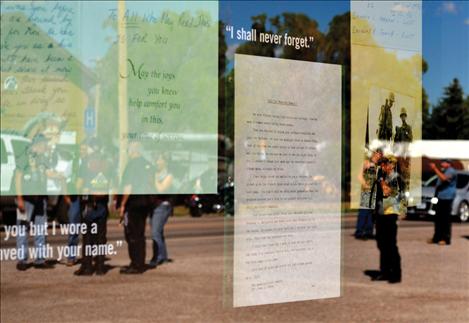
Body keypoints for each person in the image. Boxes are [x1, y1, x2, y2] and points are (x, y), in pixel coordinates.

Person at [74, 138, 113, 276]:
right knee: (101, 238)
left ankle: (87, 267)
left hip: (89, 205)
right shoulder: (107, 163)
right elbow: (110, 182)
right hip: (102, 205)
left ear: (91, 148)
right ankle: (101, 266)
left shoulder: (86, 162)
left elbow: (79, 184)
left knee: (88, 238)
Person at [14, 134, 51, 271]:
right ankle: (22, 260)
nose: (46, 147)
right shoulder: (24, 156)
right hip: (26, 199)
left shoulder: (42, 158)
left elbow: (47, 174)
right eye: (44, 144)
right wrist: (19, 198)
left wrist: (59, 176)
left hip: (40, 199)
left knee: (40, 229)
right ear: (38, 144)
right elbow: (18, 177)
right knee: (23, 228)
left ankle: (40, 260)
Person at [119, 142, 153, 274]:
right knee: (140, 234)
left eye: (128, 150)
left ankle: (135, 264)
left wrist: (122, 205)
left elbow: (128, 187)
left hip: (133, 204)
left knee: (131, 234)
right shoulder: (147, 164)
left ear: (132, 151)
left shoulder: (131, 165)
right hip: (145, 203)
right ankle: (140, 263)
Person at [372, 156, 403, 283]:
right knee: (381, 244)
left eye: (384, 164)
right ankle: (384, 271)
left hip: (390, 216)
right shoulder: (382, 177)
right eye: (381, 165)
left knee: (390, 245)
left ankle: (395, 274)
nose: (382, 167)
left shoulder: (396, 178)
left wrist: (381, 181)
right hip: (380, 215)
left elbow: (387, 192)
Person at [149, 153, 174, 268]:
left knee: (155, 233)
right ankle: (163, 256)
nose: (157, 162)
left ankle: (158, 257)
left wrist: (153, 178)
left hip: (163, 206)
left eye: (159, 160)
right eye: (156, 160)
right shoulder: (155, 174)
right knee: (158, 232)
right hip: (153, 206)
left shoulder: (169, 176)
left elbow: (161, 189)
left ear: (165, 162)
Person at [428, 159, 457, 245]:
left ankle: (445, 238)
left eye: (443, 162)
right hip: (440, 197)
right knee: (438, 219)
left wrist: (435, 169)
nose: (441, 164)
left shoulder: (451, 171)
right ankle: (436, 238)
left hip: (447, 198)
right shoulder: (444, 171)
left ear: (448, 164)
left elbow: (444, 179)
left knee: (445, 219)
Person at [355, 148, 383, 239]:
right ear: (374, 154)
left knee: (371, 213)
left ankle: (368, 232)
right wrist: (365, 185)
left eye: (380, 154)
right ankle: (359, 232)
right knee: (364, 212)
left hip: (375, 192)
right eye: (378, 153)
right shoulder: (366, 163)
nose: (379, 156)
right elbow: (359, 176)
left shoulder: (378, 166)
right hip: (367, 191)